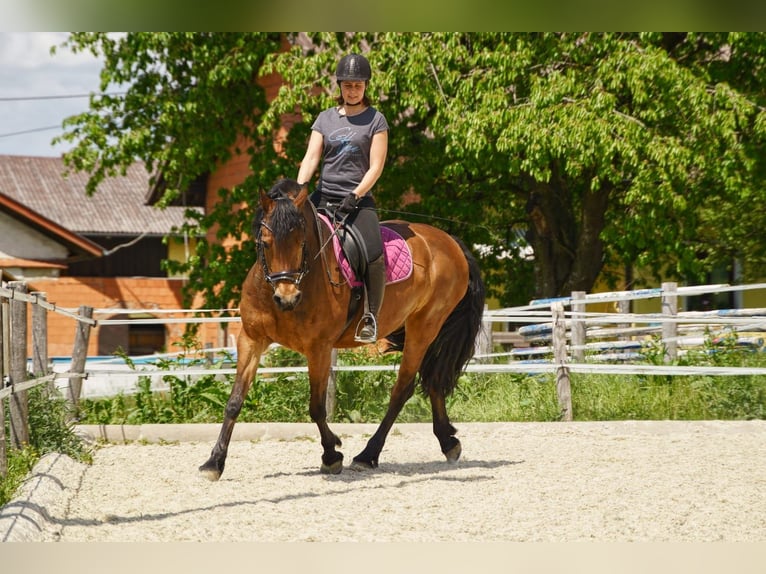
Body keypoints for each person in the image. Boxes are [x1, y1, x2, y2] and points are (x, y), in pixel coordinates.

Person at [297, 53, 389, 343]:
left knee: (374, 254)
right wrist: (300, 190)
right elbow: (311, 157)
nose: (353, 90)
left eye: (358, 85)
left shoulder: (376, 120)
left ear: (365, 86)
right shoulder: (325, 118)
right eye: (348, 85)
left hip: (357, 201)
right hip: (323, 197)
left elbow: (376, 166)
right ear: (340, 86)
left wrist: (356, 194)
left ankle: (370, 316)